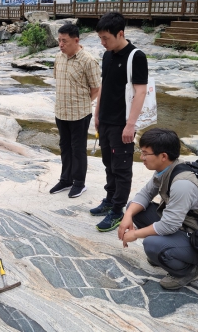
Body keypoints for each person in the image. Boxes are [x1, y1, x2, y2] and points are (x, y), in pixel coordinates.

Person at [118, 128, 198, 289]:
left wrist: (135, 234)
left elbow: (169, 225)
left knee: (151, 244)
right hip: (184, 226)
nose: (141, 157)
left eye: (145, 153)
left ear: (163, 156)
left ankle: (187, 271)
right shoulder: (167, 169)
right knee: (133, 209)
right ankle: (165, 251)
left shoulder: (182, 184)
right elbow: (145, 194)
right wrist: (128, 216)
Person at [91, 12, 148, 232]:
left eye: (106, 38)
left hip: (122, 123)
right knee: (108, 164)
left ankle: (117, 210)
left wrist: (130, 124)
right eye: (100, 38)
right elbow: (104, 86)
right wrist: (97, 114)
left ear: (120, 33)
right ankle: (109, 199)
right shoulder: (107, 55)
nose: (102, 42)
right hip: (105, 121)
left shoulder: (136, 57)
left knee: (121, 168)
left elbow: (140, 91)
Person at [50, 24, 101, 198]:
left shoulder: (88, 60)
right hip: (61, 112)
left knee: (78, 149)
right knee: (64, 147)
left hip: (79, 114)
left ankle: (79, 183)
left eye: (64, 41)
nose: (61, 44)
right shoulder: (59, 57)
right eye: (59, 40)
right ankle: (66, 180)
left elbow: (96, 89)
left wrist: (82, 103)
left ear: (76, 40)